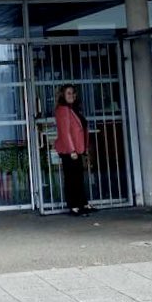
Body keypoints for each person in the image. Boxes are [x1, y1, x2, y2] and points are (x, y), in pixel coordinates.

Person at [54, 84, 94, 216]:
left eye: (73, 93)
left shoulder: (73, 109)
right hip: (69, 150)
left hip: (77, 149)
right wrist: (72, 150)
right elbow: (65, 132)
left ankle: (82, 203)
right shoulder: (63, 109)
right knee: (72, 178)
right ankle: (74, 206)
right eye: (69, 93)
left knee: (78, 177)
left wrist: (84, 148)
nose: (72, 96)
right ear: (63, 95)